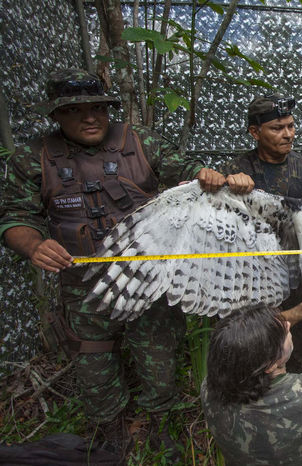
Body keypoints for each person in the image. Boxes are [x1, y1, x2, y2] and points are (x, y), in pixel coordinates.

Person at [0, 69, 226, 458]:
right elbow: (14, 217)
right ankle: (110, 429)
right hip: (81, 280)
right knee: (92, 357)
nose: (90, 118)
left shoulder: (139, 143)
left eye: (98, 109)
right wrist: (34, 244)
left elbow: (187, 175)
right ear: (56, 115)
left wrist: (206, 176)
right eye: (76, 111)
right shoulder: (34, 156)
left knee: (158, 351)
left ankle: (160, 423)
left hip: (146, 275)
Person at [222, 94, 302, 373]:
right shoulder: (236, 170)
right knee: (254, 347)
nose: (288, 134)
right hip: (252, 278)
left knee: (300, 350)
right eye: (277, 128)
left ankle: (298, 401)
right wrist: (229, 186)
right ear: (255, 132)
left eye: (290, 126)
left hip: (298, 277)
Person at [201, 287, 302, 465]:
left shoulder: (211, 390)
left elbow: (252, 337)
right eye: (283, 333)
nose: (287, 324)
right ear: (270, 365)